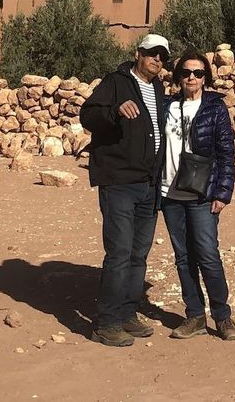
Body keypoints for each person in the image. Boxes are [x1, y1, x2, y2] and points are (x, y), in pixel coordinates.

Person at [80, 32, 172, 347]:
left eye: (162, 56)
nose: (157, 59)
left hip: (148, 184)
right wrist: (114, 111)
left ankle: (127, 313)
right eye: (152, 53)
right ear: (137, 54)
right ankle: (106, 323)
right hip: (119, 182)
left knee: (138, 254)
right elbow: (87, 115)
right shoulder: (116, 83)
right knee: (119, 253)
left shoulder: (158, 88)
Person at [161, 52, 235, 341]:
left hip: (202, 194)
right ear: (178, 76)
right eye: (186, 72)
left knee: (207, 255)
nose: (191, 77)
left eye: (197, 73)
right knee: (183, 258)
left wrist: (223, 192)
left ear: (205, 77)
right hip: (169, 193)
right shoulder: (167, 106)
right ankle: (194, 315)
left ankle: (222, 316)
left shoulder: (214, 108)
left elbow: (226, 153)